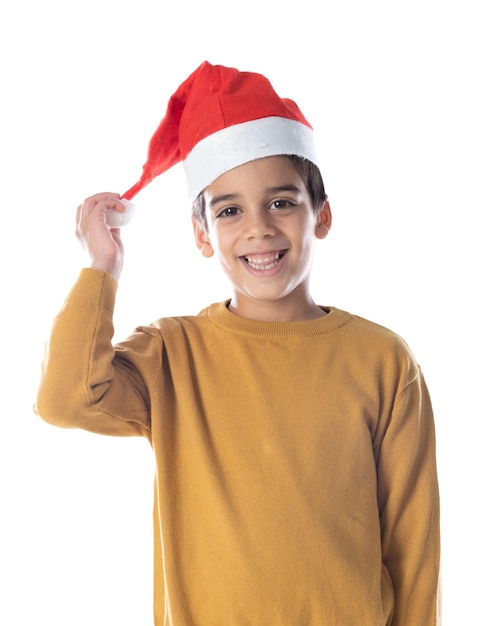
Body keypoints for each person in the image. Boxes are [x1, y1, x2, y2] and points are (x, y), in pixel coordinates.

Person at [35, 61, 441, 625]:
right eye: (229, 210)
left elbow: (413, 546)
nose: (259, 228)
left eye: (282, 202)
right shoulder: (171, 355)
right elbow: (64, 399)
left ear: (321, 215)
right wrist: (103, 269)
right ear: (202, 234)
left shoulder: (383, 360)